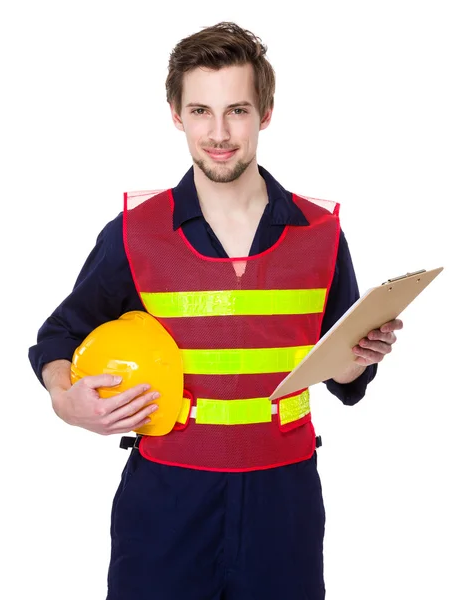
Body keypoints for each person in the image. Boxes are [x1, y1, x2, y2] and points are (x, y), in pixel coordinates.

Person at [28, 21, 403, 600]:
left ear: (266, 113)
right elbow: (58, 336)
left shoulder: (321, 234)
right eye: (201, 110)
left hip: (285, 502)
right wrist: (65, 400)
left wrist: (360, 358)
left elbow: (346, 376)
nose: (220, 132)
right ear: (176, 114)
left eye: (238, 110)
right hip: (165, 502)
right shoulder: (134, 235)